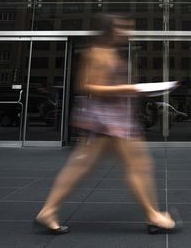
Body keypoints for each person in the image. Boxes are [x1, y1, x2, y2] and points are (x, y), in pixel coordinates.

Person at [34, 14, 178, 235]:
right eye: (123, 26)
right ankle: (153, 215)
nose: (128, 30)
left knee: (88, 166)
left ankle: (49, 210)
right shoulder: (98, 53)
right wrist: (130, 89)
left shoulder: (110, 52)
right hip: (106, 120)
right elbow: (88, 86)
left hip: (113, 118)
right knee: (135, 166)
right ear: (110, 29)